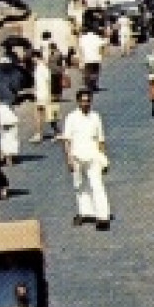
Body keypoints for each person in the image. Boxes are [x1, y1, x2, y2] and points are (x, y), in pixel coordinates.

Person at [62, 89, 111, 230]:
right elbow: (67, 141)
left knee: (97, 185)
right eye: (82, 101)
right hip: (76, 156)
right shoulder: (71, 118)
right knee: (79, 186)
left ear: (91, 101)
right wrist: (69, 159)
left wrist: (104, 159)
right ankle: (85, 213)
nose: (85, 104)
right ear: (78, 102)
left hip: (93, 157)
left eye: (88, 101)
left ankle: (102, 217)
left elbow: (101, 140)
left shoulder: (96, 117)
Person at [31, 51, 57, 143]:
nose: (32, 60)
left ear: (36, 57)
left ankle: (55, 132)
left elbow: (48, 81)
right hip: (40, 94)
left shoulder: (42, 68)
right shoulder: (39, 68)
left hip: (44, 94)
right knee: (40, 114)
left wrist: (50, 94)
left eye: (33, 58)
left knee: (48, 115)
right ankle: (40, 134)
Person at [77, 25, 105, 92]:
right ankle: (94, 85)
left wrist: (80, 58)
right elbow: (102, 47)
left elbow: (80, 49)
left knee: (87, 72)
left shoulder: (82, 38)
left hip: (87, 58)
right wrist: (101, 55)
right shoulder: (97, 37)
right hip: (96, 58)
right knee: (95, 72)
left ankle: (88, 85)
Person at [0, 95, 21, 165]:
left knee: (4, 137)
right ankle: (9, 157)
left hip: (2, 114)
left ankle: (6, 156)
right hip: (9, 115)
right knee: (11, 136)